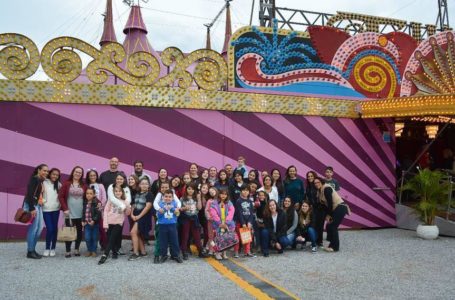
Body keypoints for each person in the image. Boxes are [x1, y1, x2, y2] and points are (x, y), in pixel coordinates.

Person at [314, 177, 350, 252]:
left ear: (322, 182)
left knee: (333, 226)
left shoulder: (326, 188)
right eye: (315, 183)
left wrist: (328, 215)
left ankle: (335, 247)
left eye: (318, 182)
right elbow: (323, 204)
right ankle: (331, 244)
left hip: (340, 207)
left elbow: (330, 203)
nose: (316, 184)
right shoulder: (320, 191)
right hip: (335, 209)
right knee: (329, 226)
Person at [98, 186, 131, 265]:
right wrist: (105, 224)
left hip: (118, 223)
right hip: (109, 222)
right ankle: (114, 252)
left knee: (112, 238)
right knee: (110, 238)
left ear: (122, 192)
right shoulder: (111, 200)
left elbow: (127, 213)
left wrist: (128, 207)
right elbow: (105, 211)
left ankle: (105, 255)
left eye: (119, 191)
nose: (118, 193)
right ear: (113, 193)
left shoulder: (124, 201)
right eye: (116, 191)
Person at [59, 166, 86, 258]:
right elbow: (61, 197)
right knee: (69, 231)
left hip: (81, 213)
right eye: (76, 172)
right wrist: (65, 208)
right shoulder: (66, 184)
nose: (78, 174)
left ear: (82, 174)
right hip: (69, 213)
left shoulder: (84, 185)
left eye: (80, 172)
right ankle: (67, 250)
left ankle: (77, 249)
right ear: (73, 172)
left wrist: (98, 202)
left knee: (79, 232)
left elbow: (90, 196)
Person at [152, 181, 181, 264]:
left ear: (172, 198)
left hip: (172, 225)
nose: (167, 198)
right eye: (166, 197)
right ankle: (163, 255)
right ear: (163, 197)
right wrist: (164, 209)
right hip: (162, 225)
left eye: (169, 197)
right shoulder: (160, 204)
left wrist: (173, 209)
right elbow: (158, 216)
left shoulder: (175, 204)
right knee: (163, 241)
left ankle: (175, 255)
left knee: (174, 241)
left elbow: (177, 214)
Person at [24, 164, 48, 259]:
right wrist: (31, 208)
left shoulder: (40, 180)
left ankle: (33, 249)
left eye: (47, 171)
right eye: (44, 170)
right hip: (32, 205)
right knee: (33, 228)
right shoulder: (35, 179)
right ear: (38, 170)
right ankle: (30, 251)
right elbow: (29, 194)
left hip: (37, 205)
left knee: (40, 228)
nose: (46, 172)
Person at [180, 184, 207, 260]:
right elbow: (179, 209)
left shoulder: (196, 198)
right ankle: (184, 252)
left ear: (194, 190)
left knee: (197, 235)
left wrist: (199, 199)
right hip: (185, 218)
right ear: (186, 190)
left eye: (192, 189)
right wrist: (184, 208)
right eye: (189, 189)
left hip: (194, 218)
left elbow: (199, 208)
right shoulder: (182, 198)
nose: (190, 190)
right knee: (185, 235)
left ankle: (200, 251)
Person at [106, 174, 131, 255]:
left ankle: (118, 248)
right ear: (115, 179)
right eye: (118, 179)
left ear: (124, 180)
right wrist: (122, 205)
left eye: (121, 179)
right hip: (111, 214)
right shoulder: (111, 187)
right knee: (111, 234)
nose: (119, 180)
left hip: (120, 215)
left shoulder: (126, 188)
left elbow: (128, 199)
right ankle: (112, 249)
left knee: (119, 232)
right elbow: (112, 198)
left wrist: (126, 205)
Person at [129, 178, 153, 261]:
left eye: (146, 184)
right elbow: (133, 205)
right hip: (135, 216)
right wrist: (132, 214)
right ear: (139, 185)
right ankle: (143, 252)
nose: (144, 185)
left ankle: (135, 253)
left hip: (144, 217)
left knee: (133, 232)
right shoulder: (137, 193)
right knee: (137, 234)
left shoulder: (149, 194)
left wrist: (139, 216)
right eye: (142, 183)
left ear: (149, 185)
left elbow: (147, 207)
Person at [209, 188, 235, 260]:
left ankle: (224, 253)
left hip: (227, 224)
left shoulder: (229, 203)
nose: (223, 195)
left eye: (225, 194)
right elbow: (213, 213)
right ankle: (217, 252)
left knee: (226, 239)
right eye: (221, 194)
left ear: (227, 195)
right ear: (218, 194)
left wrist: (226, 222)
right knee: (218, 238)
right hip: (218, 224)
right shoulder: (214, 203)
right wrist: (220, 223)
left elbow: (231, 212)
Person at [86, 169, 107, 250]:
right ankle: (91, 247)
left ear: (97, 176)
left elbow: (104, 198)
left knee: (102, 228)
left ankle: (104, 245)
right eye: (91, 175)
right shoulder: (86, 185)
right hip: (89, 211)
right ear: (88, 176)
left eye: (94, 175)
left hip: (99, 211)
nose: (92, 177)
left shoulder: (100, 185)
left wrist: (100, 206)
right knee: (90, 229)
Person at [42, 167, 61, 257]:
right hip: (46, 210)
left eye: (57, 175)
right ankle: (47, 248)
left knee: (54, 229)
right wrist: (43, 201)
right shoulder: (44, 182)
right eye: (53, 174)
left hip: (56, 210)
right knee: (50, 229)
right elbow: (39, 194)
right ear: (50, 174)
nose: (55, 176)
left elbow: (61, 197)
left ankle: (53, 248)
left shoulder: (59, 185)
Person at [233, 184, 255, 258]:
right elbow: (239, 213)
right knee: (238, 238)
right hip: (240, 222)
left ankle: (247, 252)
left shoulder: (249, 201)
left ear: (249, 192)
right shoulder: (238, 201)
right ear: (241, 191)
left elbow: (251, 213)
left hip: (247, 222)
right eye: (244, 190)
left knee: (247, 237)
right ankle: (236, 252)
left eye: (247, 190)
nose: (245, 192)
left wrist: (249, 222)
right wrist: (243, 223)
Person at [82, 188, 102, 257]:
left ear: (94, 195)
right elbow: (83, 213)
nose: (89, 195)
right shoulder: (85, 203)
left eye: (91, 194)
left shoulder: (97, 203)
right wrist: (82, 221)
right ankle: (89, 250)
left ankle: (94, 250)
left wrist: (94, 220)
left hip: (95, 224)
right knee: (87, 238)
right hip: (87, 224)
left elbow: (98, 214)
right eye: (87, 193)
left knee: (94, 238)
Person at [204, 186, 218, 255]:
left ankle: (216, 249)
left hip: (219, 222)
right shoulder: (209, 201)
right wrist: (209, 217)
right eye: (210, 192)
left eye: (213, 190)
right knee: (211, 236)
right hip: (211, 221)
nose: (211, 192)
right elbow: (206, 210)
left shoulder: (220, 200)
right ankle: (210, 249)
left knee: (217, 235)